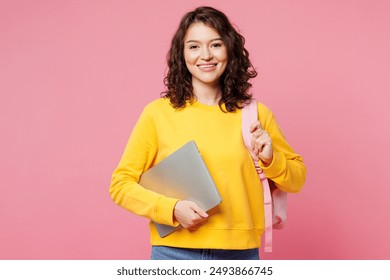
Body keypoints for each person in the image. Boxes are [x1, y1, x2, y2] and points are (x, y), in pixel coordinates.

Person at [109, 6, 306, 260]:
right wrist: (172, 209)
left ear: (229, 49)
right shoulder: (157, 114)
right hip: (173, 254)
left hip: (240, 256)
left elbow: (297, 179)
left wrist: (271, 159)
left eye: (215, 44)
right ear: (182, 55)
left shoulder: (256, 114)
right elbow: (120, 185)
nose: (205, 55)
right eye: (194, 46)